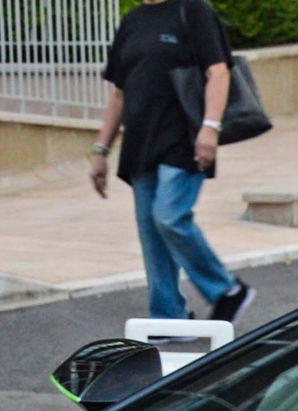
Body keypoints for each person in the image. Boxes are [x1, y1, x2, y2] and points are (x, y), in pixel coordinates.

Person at [91, 0, 254, 323]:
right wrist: (101, 151)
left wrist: (210, 127)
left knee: (169, 216)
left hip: (184, 139)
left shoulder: (193, 11)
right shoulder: (133, 21)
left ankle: (227, 290)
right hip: (140, 145)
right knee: (151, 232)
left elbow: (218, 71)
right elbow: (119, 94)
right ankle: (168, 318)